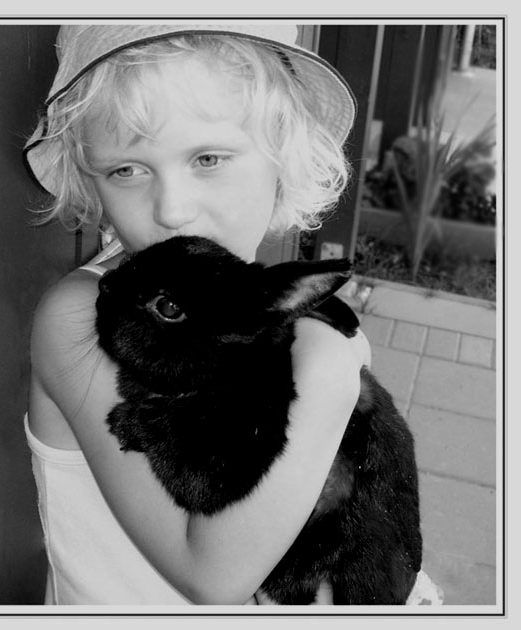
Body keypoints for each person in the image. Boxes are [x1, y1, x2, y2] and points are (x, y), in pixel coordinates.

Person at [23, 23, 442, 607]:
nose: (172, 209)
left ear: (282, 157)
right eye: (126, 170)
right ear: (90, 181)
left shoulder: (254, 309)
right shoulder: (83, 318)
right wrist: (329, 375)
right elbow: (212, 576)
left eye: (208, 158)